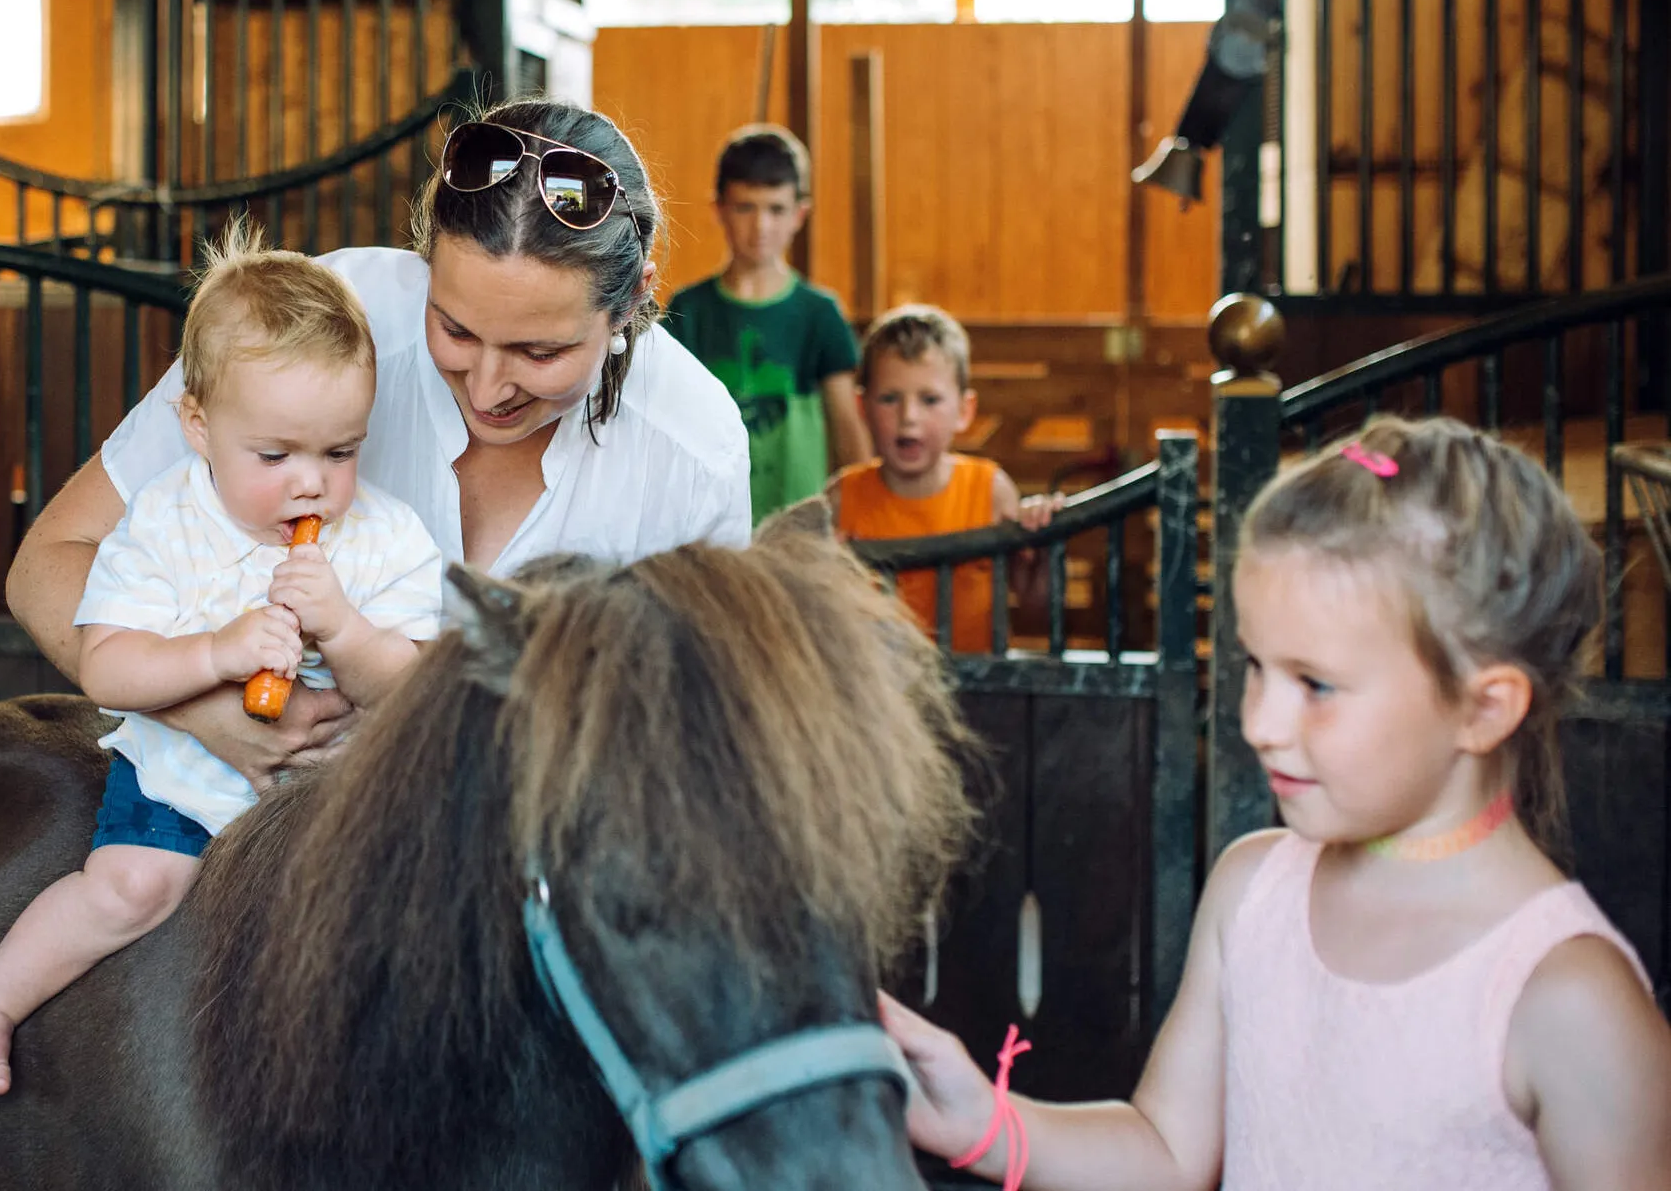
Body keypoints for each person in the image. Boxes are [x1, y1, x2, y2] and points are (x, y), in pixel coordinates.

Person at [883, 416, 1671, 1190]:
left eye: (1315, 685)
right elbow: (1167, 1151)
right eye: (1257, 668)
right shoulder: (1252, 890)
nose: (1259, 723)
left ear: (1484, 708)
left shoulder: (1570, 999)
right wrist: (983, 1122)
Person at [5, 99, 749, 792]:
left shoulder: (693, 450)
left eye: (540, 352)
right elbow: (48, 565)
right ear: (422, 264)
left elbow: (701, 739)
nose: (489, 389)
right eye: (455, 330)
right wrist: (203, 715)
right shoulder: (320, 329)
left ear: (633, 298)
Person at [0, 233, 444, 1095]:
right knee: (131, 885)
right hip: (186, 779)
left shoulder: (386, 539)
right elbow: (109, 668)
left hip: (334, 802)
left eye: (340, 453)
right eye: (275, 457)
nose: (309, 485)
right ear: (199, 426)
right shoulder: (164, 525)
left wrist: (346, 632)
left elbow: (414, 692)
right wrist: (218, 653)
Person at [663, 124, 872, 523]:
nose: (761, 227)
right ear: (719, 208)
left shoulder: (820, 314)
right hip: (707, 525)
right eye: (745, 207)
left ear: (799, 214)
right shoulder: (686, 311)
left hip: (797, 532)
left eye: (776, 209)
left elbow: (849, 435)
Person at [828, 304, 1055, 653]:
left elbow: (1037, 608)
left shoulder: (989, 490)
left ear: (964, 411)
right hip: (878, 698)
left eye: (930, 399)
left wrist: (1043, 548)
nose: (909, 418)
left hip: (979, 694)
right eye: (890, 399)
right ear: (863, 408)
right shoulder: (842, 499)